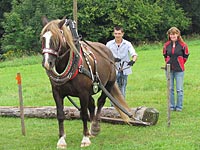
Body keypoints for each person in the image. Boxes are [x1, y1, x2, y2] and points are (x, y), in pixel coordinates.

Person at [106, 26, 138, 99]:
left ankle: (122, 104)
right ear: (114, 34)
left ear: (122, 34)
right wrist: (113, 59)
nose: (117, 35)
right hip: (113, 70)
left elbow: (134, 54)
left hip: (124, 69)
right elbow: (105, 55)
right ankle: (113, 105)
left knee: (122, 87)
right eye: (116, 33)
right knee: (113, 88)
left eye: (119, 33)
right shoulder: (109, 44)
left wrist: (132, 61)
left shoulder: (127, 44)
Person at [163, 27, 189, 111]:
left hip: (179, 70)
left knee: (179, 89)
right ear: (169, 35)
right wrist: (168, 62)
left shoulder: (183, 45)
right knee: (170, 89)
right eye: (171, 34)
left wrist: (180, 63)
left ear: (178, 34)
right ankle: (171, 106)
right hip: (169, 69)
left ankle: (179, 106)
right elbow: (165, 55)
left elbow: (186, 56)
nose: (172, 36)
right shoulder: (166, 45)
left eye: (174, 34)